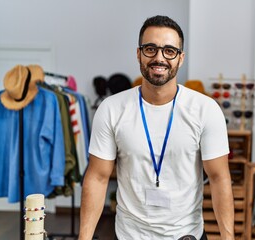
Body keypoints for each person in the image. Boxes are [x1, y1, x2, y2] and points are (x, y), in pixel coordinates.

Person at [79, 15, 235, 240]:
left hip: (186, 235)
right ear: (138, 54)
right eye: (150, 49)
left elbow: (220, 178)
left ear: (180, 58)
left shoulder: (205, 110)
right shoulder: (111, 109)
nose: (159, 57)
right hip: (129, 235)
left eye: (169, 51)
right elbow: (97, 177)